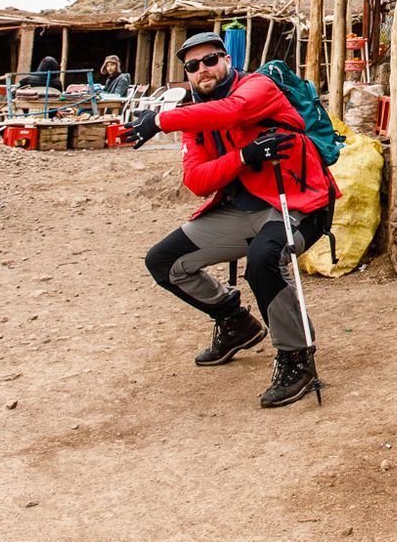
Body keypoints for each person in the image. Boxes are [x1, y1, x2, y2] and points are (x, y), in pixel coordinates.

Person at [130, 32, 336, 409]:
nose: (202, 70)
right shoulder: (196, 117)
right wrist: (244, 157)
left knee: (264, 260)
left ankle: (297, 357)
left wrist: (161, 119)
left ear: (227, 59)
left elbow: (234, 111)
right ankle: (235, 321)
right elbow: (196, 180)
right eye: (192, 67)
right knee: (163, 261)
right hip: (239, 210)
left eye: (210, 60)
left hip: (297, 205)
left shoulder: (259, 86)